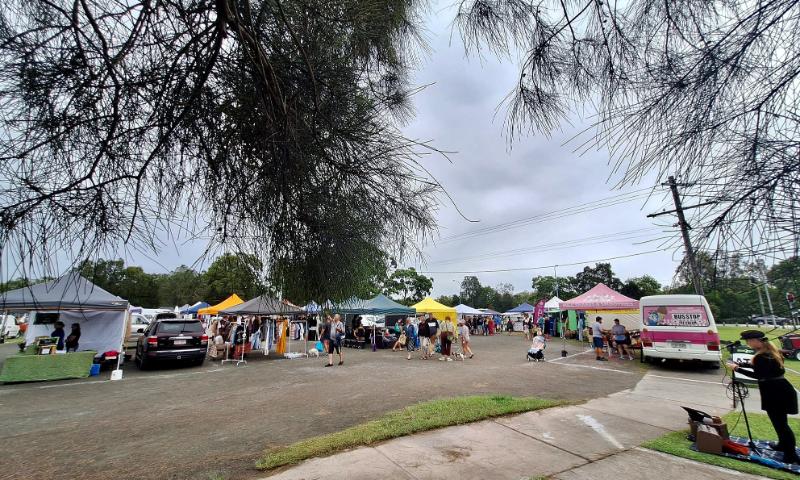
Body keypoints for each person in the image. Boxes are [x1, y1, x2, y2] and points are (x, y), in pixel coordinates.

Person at [728, 330, 799, 464]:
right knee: (780, 422)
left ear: (756, 341)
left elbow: (758, 375)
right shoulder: (770, 352)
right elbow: (761, 368)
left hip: (775, 393)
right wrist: (740, 365)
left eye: (748, 341)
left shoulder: (762, 356)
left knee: (781, 425)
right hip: (780, 389)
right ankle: (783, 445)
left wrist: (737, 369)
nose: (748, 343)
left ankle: (791, 455)